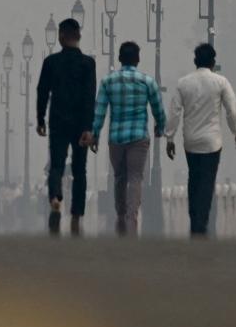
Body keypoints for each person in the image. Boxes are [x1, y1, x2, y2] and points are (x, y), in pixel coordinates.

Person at [165, 43, 236, 237]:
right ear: (213, 61)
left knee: (194, 178)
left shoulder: (184, 83)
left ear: (195, 61)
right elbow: (231, 109)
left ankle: (195, 220)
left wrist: (170, 137)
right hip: (212, 142)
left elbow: (174, 112)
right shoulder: (221, 82)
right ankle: (202, 222)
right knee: (207, 182)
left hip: (191, 141)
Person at [89, 41, 164, 237]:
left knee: (119, 177)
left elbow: (99, 112)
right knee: (135, 177)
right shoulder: (147, 82)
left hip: (116, 138)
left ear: (120, 59)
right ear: (138, 59)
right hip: (139, 138)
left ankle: (120, 215)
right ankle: (132, 217)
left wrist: (95, 134)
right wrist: (160, 126)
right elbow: (158, 109)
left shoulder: (108, 82)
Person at [35, 18, 97, 236]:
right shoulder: (88, 64)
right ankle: (77, 215)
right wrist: (89, 127)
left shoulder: (51, 62)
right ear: (78, 36)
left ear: (61, 37)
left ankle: (55, 198)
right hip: (81, 125)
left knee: (57, 166)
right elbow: (90, 97)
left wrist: (40, 119)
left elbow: (42, 91)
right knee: (80, 170)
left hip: (58, 121)